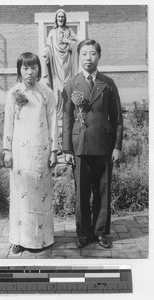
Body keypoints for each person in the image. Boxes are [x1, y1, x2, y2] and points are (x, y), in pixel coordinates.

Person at [62, 39, 123, 249]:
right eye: (85, 54)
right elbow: (67, 120)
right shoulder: (71, 84)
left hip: (104, 146)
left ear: (99, 56)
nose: (89, 58)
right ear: (79, 56)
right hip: (79, 147)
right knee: (82, 192)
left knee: (103, 191)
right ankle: (83, 233)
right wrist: (67, 149)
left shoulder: (108, 83)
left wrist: (117, 147)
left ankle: (101, 232)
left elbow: (117, 119)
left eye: (93, 54)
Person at [3, 52, 58, 254]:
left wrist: (54, 151)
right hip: (20, 154)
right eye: (25, 68)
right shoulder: (13, 93)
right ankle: (18, 239)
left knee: (40, 195)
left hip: (41, 152)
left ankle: (43, 238)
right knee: (21, 195)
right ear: (19, 70)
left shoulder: (46, 93)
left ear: (38, 70)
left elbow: (53, 123)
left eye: (33, 67)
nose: (29, 72)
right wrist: (7, 150)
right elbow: (8, 123)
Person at [43, 9, 78, 123]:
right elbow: (48, 46)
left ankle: (68, 113)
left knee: (68, 87)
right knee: (57, 90)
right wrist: (47, 55)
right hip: (56, 65)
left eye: (62, 17)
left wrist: (68, 42)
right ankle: (58, 115)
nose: (61, 19)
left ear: (65, 18)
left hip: (68, 64)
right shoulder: (52, 33)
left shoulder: (69, 31)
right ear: (56, 18)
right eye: (59, 17)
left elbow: (76, 44)